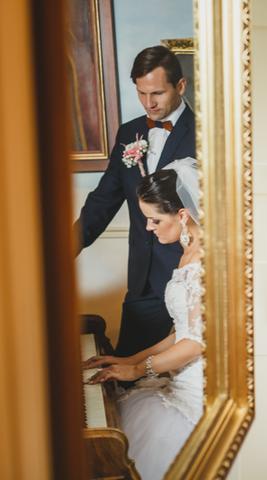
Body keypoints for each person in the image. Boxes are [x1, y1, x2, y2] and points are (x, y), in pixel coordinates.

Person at [83, 158, 203, 480]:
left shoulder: (204, 261)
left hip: (199, 391)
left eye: (154, 220)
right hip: (179, 378)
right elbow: (181, 332)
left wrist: (138, 369)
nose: (149, 228)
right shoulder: (187, 252)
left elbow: (195, 344)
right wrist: (128, 359)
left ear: (182, 215)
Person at [75, 45, 196, 357]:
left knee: (186, 366)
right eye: (141, 93)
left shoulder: (207, 134)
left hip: (191, 277)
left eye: (157, 93)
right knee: (126, 369)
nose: (148, 103)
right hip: (143, 283)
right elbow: (103, 201)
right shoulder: (130, 133)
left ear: (180, 86)